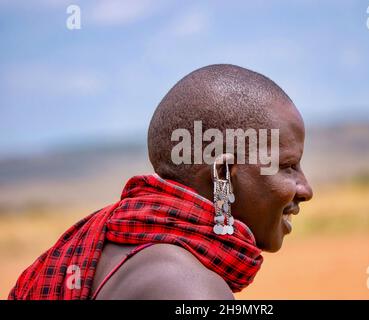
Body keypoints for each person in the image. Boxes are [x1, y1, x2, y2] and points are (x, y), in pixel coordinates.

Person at [9, 64, 313, 300]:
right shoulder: (188, 288)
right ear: (222, 176)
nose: (306, 189)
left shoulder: (117, 243)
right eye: (287, 167)